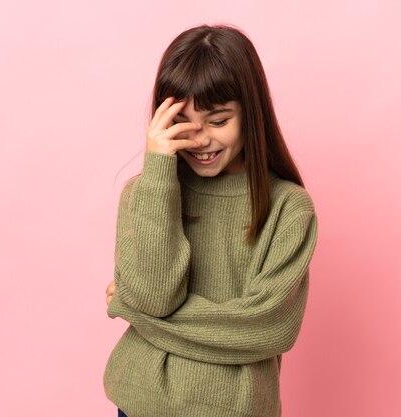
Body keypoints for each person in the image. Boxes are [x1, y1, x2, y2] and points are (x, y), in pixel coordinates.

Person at [103, 23, 318, 417]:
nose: (200, 140)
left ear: (251, 115)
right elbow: (155, 295)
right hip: (138, 404)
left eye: (219, 121)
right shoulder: (144, 193)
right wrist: (158, 172)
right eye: (184, 122)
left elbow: (268, 328)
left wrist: (133, 310)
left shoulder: (289, 209)